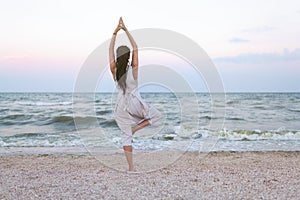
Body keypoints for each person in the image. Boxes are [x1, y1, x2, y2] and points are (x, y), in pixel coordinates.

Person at [109, 17, 161, 172]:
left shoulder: (115, 71)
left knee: (125, 136)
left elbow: (109, 51)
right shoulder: (134, 69)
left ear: (118, 57)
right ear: (129, 57)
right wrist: (125, 30)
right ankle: (135, 129)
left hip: (121, 104)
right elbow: (136, 47)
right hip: (135, 101)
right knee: (156, 115)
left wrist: (114, 33)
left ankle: (131, 167)